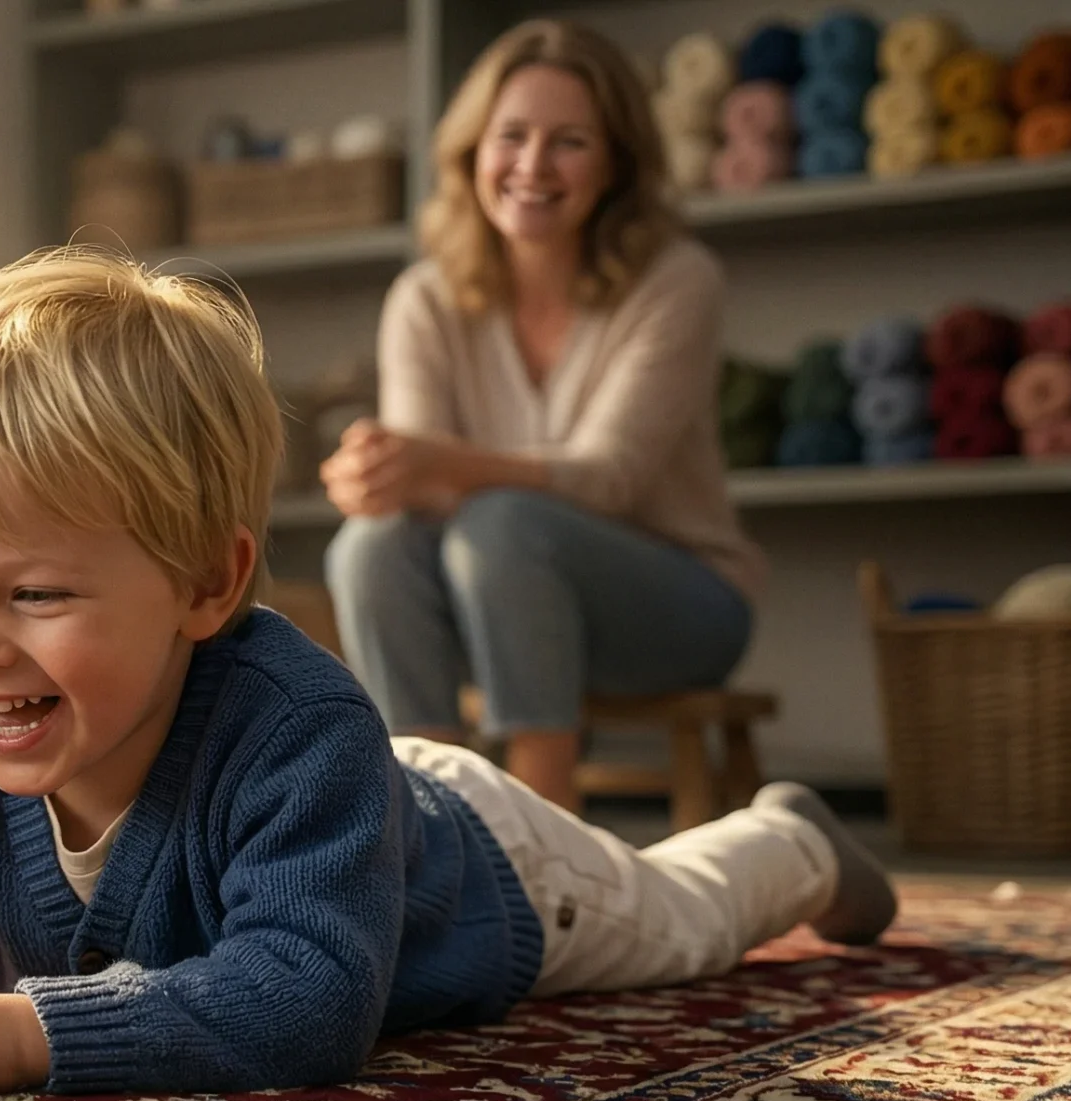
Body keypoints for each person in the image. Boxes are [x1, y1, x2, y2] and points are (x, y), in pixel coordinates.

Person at [0, 249, 892, 1101]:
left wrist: (29, 1034)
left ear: (208, 583)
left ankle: (788, 841)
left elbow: (308, 994)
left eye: (37, 594)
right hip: (377, 790)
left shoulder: (298, 728)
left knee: (684, 916)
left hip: (491, 869)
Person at [322, 19, 762, 811]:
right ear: (471, 152)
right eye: (511, 136)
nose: (532, 165)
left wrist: (438, 463)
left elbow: (612, 478)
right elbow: (413, 495)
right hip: (488, 598)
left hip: (677, 607)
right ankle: (423, 815)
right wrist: (378, 475)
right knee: (370, 546)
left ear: (617, 164)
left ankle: (543, 829)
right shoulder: (425, 296)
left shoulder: (676, 279)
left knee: (504, 524)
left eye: (569, 142)